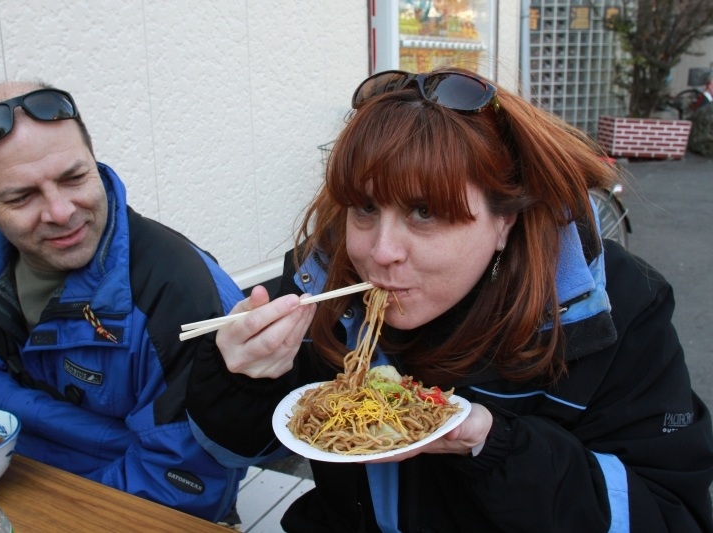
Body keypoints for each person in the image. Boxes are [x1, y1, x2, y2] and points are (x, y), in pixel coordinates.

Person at [185, 67, 713, 532]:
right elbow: (234, 449)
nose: (381, 252)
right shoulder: (321, 281)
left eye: (424, 212)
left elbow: (668, 514)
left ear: (504, 221)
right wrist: (242, 377)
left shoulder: (612, 310)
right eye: (365, 208)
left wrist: (497, 445)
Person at [0, 81, 246, 526]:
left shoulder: (179, 294)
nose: (61, 212)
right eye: (21, 197)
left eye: (74, 178)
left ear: (94, 161)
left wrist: (40, 516)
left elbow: (185, 482)